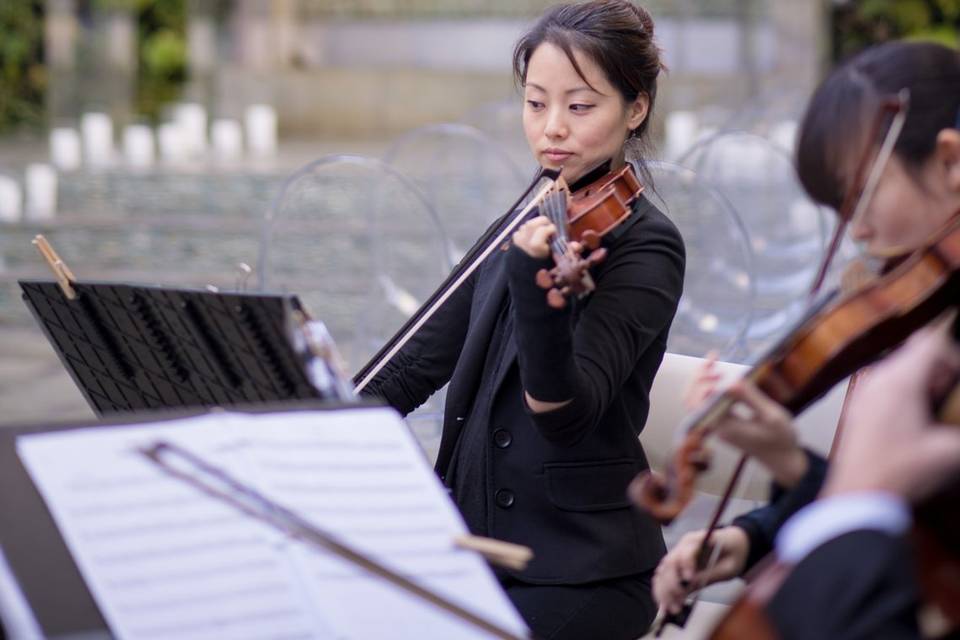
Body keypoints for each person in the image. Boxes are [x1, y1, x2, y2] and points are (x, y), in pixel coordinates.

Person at [361, 2, 685, 638]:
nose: (551, 129)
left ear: (636, 108)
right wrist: (321, 418)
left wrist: (538, 292)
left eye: (580, 106)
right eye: (536, 104)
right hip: (472, 552)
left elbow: (566, 414)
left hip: (582, 569)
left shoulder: (648, 245)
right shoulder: (533, 212)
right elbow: (418, 362)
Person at [646, 39, 960, 618]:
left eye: (863, 192)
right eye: (837, 205)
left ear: (949, 161)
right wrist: (757, 532)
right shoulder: (923, 320)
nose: (855, 231)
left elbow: (916, 557)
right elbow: (885, 505)